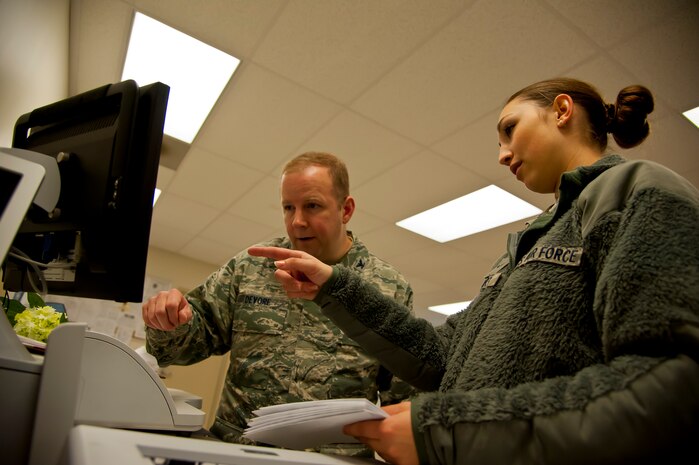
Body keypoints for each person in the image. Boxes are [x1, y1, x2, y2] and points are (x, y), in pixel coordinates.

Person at [248, 78, 699, 465]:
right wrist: (334, 286)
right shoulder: (530, 241)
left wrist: (444, 432)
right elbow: (441, 354)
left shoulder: (637, 190)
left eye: (510, 129)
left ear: (561, 110)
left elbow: (669, 384)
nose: (502, 154)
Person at [142, 151, 415, 456]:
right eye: (288, 207)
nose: (297, 221)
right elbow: (191, 339)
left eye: (312, 206)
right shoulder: (251, 266)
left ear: (346, 209)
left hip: (330, 460)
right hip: (238, 452)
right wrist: (167, 322)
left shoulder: (388, 288)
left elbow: (402, 399)